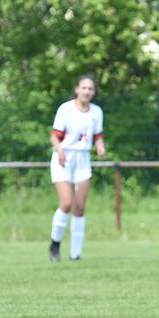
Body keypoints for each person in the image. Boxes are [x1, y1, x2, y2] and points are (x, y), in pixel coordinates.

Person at [48, 75, 106, 262]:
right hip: (64, 158)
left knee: (79, 207)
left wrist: (100, 145)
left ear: (93, 92)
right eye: (84, 88)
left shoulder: (96, 112)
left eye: (90, 89)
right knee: (66, 203)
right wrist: (60, 150)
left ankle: (75, 254)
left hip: (83, 159)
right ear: (77, 89)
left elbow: (97, 135)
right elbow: (54, 136)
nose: (87, 91)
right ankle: (55, 245)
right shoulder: (65, 109)